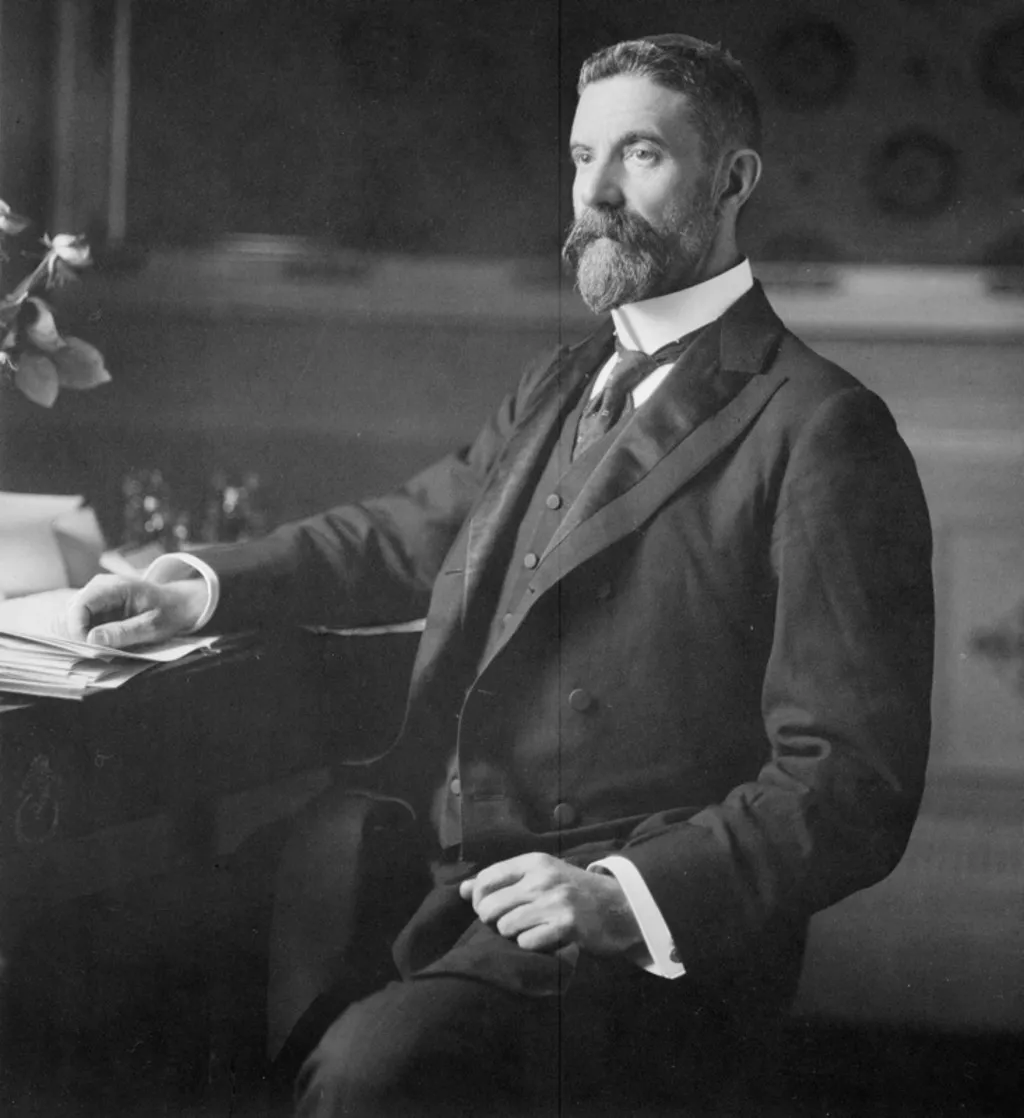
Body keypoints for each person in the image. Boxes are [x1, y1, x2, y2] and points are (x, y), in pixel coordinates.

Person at [65, 34, 934, 1117]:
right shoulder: (565, 379)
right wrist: (197, 584)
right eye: (580, 157)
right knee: (118, 979)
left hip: (633, 945)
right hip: (447, 883)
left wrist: (621, 896)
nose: (597, 191)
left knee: (367, 1078)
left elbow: (851, 783)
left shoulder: (822, 425)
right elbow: (411, 532)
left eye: (641, 155)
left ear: (732, 179)